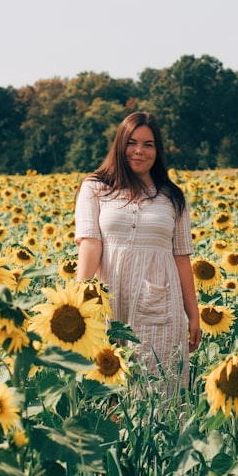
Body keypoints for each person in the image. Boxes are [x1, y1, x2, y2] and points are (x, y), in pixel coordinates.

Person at [74, 111, 201, 392]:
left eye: (148, 144)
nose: (139, 151)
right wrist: (79, 298)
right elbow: (90, 243)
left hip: (159, 304)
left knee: (157, 388)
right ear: (120, 145)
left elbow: (181, 258)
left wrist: (194, 314)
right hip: (108, 303)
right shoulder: (95, 187)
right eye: (132, 142)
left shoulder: (172, 197)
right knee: (105, 392)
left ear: (158, 150)